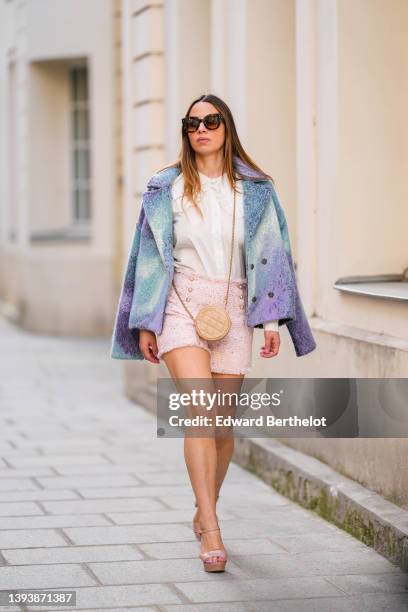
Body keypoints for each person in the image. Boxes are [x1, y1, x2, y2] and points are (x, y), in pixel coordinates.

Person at [110, 94, 316, 572]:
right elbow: (146, 258)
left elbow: (273, 255)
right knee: (199, 415)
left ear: (227, 127)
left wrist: (269, 320)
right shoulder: (167, 187)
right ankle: (213, 526)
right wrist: (146, 320)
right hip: (181, 304)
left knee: (223, 426)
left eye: (211, 120)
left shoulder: (257, 190)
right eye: (191, 123)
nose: (200, 128)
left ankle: (204, 511)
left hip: (236, 306)